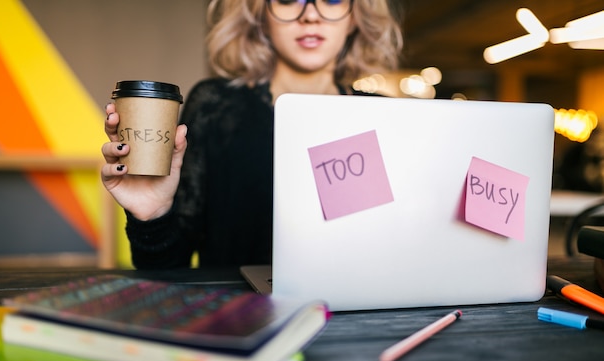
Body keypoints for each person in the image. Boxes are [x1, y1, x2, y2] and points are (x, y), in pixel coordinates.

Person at [101, 0, 402, 269]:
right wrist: (153, 214)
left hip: (360, 323)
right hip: (238, 322)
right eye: (287, 0)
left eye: (333, 0)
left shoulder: (385, 117)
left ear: (354, 16)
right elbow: (167, 269)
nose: (310, 15)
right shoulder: (215, 107)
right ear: (260, 16)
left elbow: (396, 250)